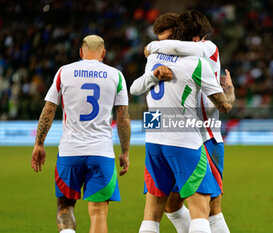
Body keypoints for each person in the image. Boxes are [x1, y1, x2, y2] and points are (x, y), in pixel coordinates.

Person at [130, 11, 235, 233]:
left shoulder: (206, 48)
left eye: (166, 38)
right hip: (174, 134)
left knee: (210, 209)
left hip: (204, 134)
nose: (164, 43)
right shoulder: (161, 59)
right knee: (171, 205)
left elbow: (175, 49)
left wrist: (152, 47)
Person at [31, 35, 131, 233]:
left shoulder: (64, 72)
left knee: (65, 207)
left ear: (80, 52)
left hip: (70, 152)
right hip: (101, 152)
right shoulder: (116, 75)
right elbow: (123, 117)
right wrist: (125, 151)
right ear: (104, 53)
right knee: (99, 212)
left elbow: (49, 109)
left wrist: (39, 144)